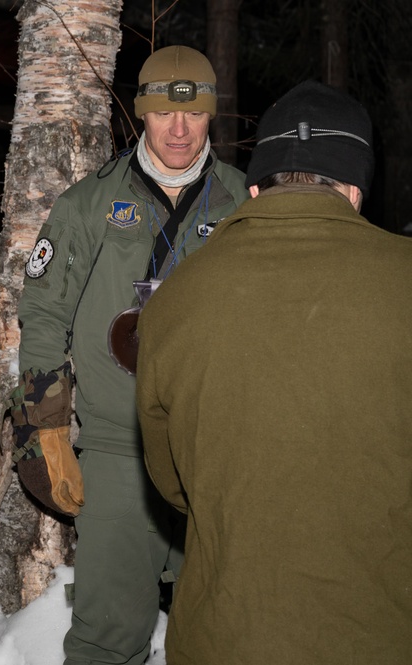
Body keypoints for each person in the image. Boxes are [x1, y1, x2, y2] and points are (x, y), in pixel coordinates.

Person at [135, 80, 412, 664]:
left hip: (227, 636)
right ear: (357, 190)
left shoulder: (175, 300)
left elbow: (172, 483)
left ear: (255, 188)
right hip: (383, 633)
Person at [12, 45, 248, 665]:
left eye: (194, 114)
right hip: (120, 449)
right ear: (141, 112)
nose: (178, 129)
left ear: (210, 116)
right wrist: (47, 424)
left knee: (232, 634)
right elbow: (42, 314)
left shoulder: (243, 207)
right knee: (107, 639)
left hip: (218, 451)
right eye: (165, 114)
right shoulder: (89, 204)